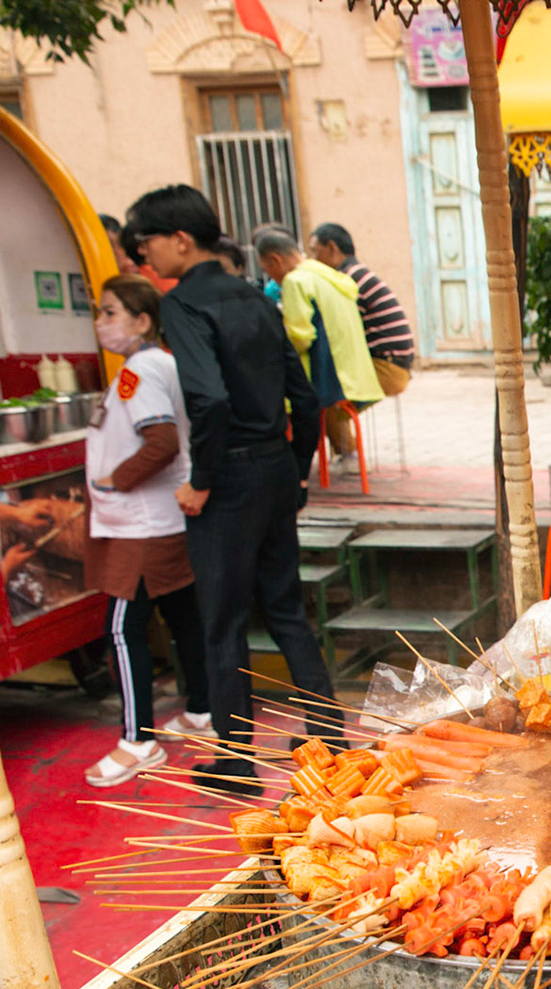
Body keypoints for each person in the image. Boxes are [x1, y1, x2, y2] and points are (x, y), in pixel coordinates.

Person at [125, 184, 342, 786]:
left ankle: (238, 758)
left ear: (179, 240)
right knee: (285, 607)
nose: (146, 257)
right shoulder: (254, 296)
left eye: (148, 244)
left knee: (221, 617)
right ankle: (329, 734)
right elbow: (303, 396)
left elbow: (209, 399)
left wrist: (201, 480)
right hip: (273, 464)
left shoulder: (184, 304)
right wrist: (294, 467)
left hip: (231, 472)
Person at [81, 275, 211, 786]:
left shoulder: (139, 370)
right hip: (160, 517)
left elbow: (159, 443)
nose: (101, 323)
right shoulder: (160, 365)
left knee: (123, 627)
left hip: (140, 522)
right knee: (182, 614)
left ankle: (138, 739)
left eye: (110, 313)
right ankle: (201, 708)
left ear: (142, 321)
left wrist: (115, 480)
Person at [255, 227, 383, 460]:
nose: (271, 276)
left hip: (330, 379)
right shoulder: (328, 274)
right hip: (356, 375)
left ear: (276, 260)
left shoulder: (295, 281)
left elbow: (300, 338)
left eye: (268, 269)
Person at [308, 222, 416, 397]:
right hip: (396, 365)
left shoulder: (347, 280)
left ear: (331, 248)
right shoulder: (358, 273)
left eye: (315, 251)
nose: (312, 259)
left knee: (324, 392)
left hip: (387, 368)